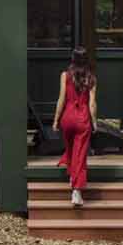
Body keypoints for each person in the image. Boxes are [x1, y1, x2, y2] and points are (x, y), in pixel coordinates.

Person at [52, 47, 97, 206]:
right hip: (82, 118)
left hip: (67, 118)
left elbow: (61, 99)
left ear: (72, 59)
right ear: (86, 60)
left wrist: (56, 120)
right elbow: (92, 104)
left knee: (71, 149)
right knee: (80, 153)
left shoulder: (65, 75)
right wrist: (95, 122)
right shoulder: (91, 78)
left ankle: (72, 175)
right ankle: (77, 191)